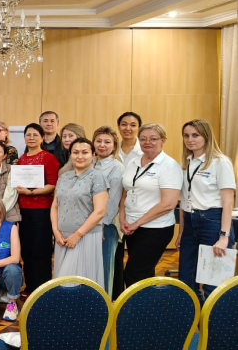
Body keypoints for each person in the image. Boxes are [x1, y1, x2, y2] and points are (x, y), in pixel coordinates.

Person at [177, 119, 236, 302]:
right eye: (186, 135)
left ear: (206, 137)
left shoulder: (220, 162)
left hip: (213, 222)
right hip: (190, 222)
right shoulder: (187, 162)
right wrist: (181, 232)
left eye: (195, 135)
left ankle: (214, 320)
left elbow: (228, 202)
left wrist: (224, 236)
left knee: (213, 282)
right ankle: (197, 317)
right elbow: (184, 200)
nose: (190, 140)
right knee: (186, 281)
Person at [119, 123, 182, 287]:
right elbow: (126, 191)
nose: (148, 142)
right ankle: (148, 302)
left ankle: (137, 303)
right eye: (143, 139)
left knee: (134, 273)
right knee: (144, 273)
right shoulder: (133, 162)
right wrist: (122, 218)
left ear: (163, 140)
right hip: (131, 227)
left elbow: (168, 204)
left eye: (153, 139)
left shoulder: (169, 166)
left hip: (155, 228)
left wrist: (137, 223)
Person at [52, 138, 109, 289]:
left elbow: (99, 212)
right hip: (62, 237)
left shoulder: (97, 177)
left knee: (75, 283)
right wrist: (56, 231)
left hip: (85, 236)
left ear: (93, 155)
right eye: (75, 152)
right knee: (61, 282)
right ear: (70, 155)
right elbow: (55, 206)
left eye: (85, 152)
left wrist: (77, 235)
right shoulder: (64, 177)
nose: (80, 156)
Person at [16, 123, 59, 294]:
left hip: (42, 210)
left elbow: (53, 185)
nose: (31, 138)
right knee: (26, 250)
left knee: (40, 250)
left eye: (35, 135)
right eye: (28, 135)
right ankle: (30, 286)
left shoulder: (49, 158)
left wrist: (31, 192)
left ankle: (42, 289)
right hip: (23, 211)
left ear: (42, 138)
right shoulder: (21, 159)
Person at [92, 126, 125, 298]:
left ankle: (104, 306)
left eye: (107, 142)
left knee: (104, 270)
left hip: (106, 226)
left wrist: (101, 223)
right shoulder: (90, 163)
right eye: (98, 141)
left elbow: (113, 199)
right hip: (87, 225)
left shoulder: (117, 167)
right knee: (90, 268)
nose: (102, 145)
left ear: (114, 145)